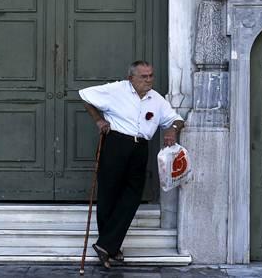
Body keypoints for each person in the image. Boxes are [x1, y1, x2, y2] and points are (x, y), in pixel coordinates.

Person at [79, 60, 185, 269]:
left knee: (133, 196)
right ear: (131, 78)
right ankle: (111, 247)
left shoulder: (157, 99)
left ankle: (106, 245)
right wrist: (99, 121)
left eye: (151, 76)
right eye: (143, 77)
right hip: (116, 143)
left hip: (140, 148)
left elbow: (177, 119)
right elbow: (84, 95)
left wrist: (172, 129)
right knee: (109, 195)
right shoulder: (116, 89)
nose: (149, 80)